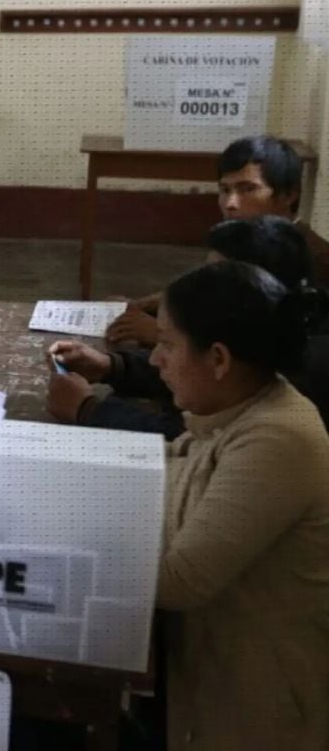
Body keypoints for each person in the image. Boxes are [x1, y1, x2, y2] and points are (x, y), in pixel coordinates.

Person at [146, 260, 329, 750]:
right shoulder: (237, 409)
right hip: (214, 667)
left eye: (167, 344)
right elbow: (169, 464)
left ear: (219, 359)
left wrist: (49, 557)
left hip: (260, 704)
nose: (153, 360)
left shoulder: (278, 436)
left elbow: (178, 581)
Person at [47, 216, 329, 436]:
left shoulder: (291, 378)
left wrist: (91, 410)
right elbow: (195, 368)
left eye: (215, 282)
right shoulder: (266, 338)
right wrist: (113, 366)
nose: (158, 356)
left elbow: (185, 437)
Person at [105, 135, 329, 346]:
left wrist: (162, 335)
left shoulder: (313, 260)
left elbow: (268, 349)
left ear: (289, 195)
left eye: (247, 189)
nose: (230, 202)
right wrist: (159, 304)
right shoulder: (244, 243)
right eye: (225, 189)